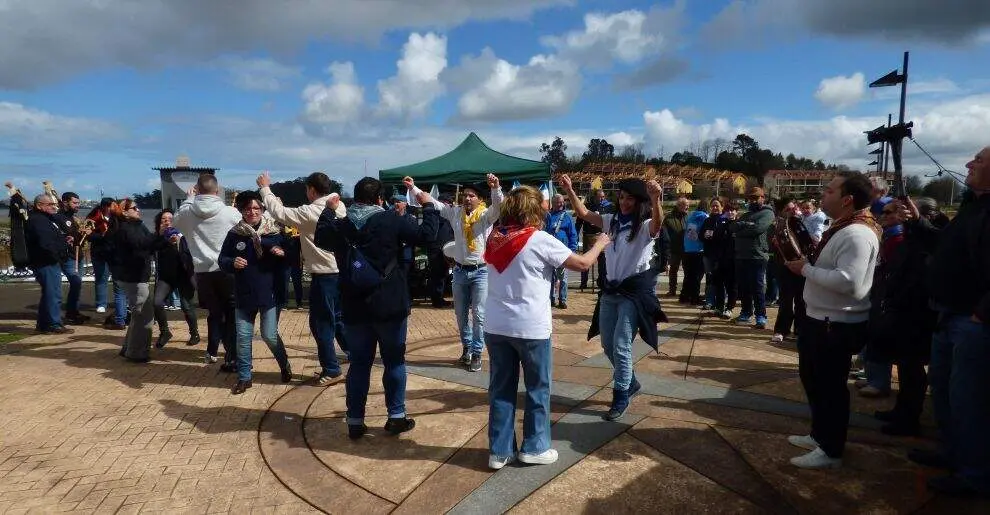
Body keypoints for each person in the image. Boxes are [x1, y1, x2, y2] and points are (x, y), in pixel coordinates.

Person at [483, 185, 611, 470]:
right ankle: (534, 447)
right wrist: (601, 243)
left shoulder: (494, 238)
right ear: (532, 210)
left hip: (495, 325)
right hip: (530, 327)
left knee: (500, 388)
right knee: (537, 388)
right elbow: (582, 263)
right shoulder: (539, 239)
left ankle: (499, 451)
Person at [314, 177, 438, 439]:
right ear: (380, 199)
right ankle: (396, 416)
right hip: (389, 303)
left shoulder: (342, 224)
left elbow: (321, 236)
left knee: (359, 364)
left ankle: (355, 420)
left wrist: (328, 209)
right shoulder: (392, 220)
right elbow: (428, 236)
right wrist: (427, 206)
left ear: (354, 198)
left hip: (354, 304)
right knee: (394, 361)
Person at [907, 146, 990, 497]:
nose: (969, 164)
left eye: (980, 160)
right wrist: (920, 226)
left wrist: (981, 314)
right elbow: (947, 247)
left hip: (973, 321)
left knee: (969, 399)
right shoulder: (973, 206)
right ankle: (954, 453)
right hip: (949, 313)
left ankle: (975, 475)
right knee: (943, 390)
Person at [783, 171, 879, 469]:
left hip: (834, 323)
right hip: (820, 318)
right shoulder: (844, 227)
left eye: (829, 190)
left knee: (830, 388)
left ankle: (831, 449)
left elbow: (851, 282)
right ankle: (820, 434)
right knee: (814, 381)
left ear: (847, 200)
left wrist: (806, 270)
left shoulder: (856, 233)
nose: (822, 194)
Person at [560, 174, 666, 421]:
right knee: (608, 344)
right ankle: (631, 381)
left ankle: (620, 396)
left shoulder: (646, 225)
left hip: (633, 294)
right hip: (610, 292)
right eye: (621, 197)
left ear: (640, 202)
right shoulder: (611, 221)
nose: (624, 202)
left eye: (630, 199)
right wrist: (570, 190)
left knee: (621, 345)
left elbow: (658, 225)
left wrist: (656, 198)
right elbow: (585, 214)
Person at [258, 171, 349, 386]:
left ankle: (332, 368)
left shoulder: (310, 212)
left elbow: (279, 212)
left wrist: (265, 188)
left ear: (311, 189)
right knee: (337, 318)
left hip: (324, 275)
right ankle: (355, 354)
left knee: (321, 324)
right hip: (341, 272)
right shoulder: (339, 206)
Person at [408, 176, 505, 372]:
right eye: (465, 195)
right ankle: (467, 348)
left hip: (481, 272)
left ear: (479, 199)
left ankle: (477, 352)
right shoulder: (455, 213)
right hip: (460, 272)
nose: (467, 198)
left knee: (478, 314)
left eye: (472, 195)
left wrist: (496, 188)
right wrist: (413, 187)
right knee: (461, 315)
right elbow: (432, 203)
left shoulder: (486, 215)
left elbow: (499, 206)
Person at [867, 199, 934, 436]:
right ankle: (902, 411)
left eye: (889, 213)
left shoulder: (915, 242)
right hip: (902, 309)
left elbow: (915, 276)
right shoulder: (905, 240)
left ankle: (909, 418)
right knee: (906, 366)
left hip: (914, 312)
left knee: (912, 368)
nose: (883, 216)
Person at [218, 191, 293, 394]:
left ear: (262, 209)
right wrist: (231, 262)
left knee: (269, 335)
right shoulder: (235, 234)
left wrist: (283, 254)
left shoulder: (274, 232)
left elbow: (292, 260)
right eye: (248, 208)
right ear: (242, 210)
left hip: (268, 293)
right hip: (244, 293)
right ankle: (244, 377)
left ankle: (284, 364)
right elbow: (222, 259)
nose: (252, 212)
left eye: (256, 208)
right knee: (243, 337)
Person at [174, 174, 242, 371]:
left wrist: (188, 199)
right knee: (232, 315)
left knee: (216, 314)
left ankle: (219, 352)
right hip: (227, 269)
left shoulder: (187, 212)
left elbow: (176, 222)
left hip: (203, 273)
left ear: (196, 189)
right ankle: (232, 356)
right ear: (217, 190)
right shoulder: (229, 212)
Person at [111, 199, 177, 363]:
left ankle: (129, 347)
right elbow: (142, 244)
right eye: (134, 208)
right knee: (145, 316)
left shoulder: (135, 225)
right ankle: (137, 353)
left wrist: (165, 240)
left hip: (134, 276)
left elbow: (150, 244)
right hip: (133, 277)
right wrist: (160, 234)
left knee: (138, 314)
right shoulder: (126, 228)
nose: (138, 210)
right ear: (125, 212)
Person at [25, 194, 74, 334]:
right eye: (49, 204)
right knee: (53, 294)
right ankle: (53, 324)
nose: (54, 207)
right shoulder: (38, 220)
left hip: (47, 260)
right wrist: (60, 252)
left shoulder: (44, 219)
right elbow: (46, 243)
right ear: (39, 205)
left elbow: (52, 238)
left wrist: (64, 240)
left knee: (49, 293)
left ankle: (43, 324)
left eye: (54, 204)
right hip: (45, 261)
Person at [151, 210, 200, 349]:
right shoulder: (157, 237)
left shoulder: (184, 235)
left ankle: (194, 333)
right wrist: (162, 237)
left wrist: (177, 241)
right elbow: (150, 248)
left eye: (170, 219)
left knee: (187, 306)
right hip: (166, 277)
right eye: (163, 219)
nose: (167, 221)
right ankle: (165, 332)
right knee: (157, 302)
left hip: (184, 276)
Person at [729, 187, 774, 330]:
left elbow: (758, 229)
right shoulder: (746, 214)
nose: (753, 200)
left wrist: (741, 229)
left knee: (757, 287)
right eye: (751, 198)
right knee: (744, 287)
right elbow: (732, 228)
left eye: (756, 198)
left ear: (763, 198)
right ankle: (746, 312)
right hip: (741, 255)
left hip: (757, 256)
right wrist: (743, 225)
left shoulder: (767, 213)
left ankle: (761, 315)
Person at [769, 199, 813, 344]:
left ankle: (800, 330)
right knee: (786, 300)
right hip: (784, 266)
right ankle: (782, 330)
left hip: (801, 265)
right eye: (789, 209)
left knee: (801, 300)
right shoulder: (776, 225)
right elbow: (770, 246)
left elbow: (807, 242)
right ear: (781, 211)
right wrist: (775, 243)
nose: (793, 211)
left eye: (794, 208)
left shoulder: (798, 222)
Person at [86, 198, 127, 329]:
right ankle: (101, 303)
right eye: (111, 206)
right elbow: (88, 235)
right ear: (104, 207)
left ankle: (120, 307)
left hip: (114, 253)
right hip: (99, 252)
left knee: (118, 282)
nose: (113, 208)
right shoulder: (93, 217)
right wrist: (102, 236)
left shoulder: (117, 218)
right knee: (101, 277)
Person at [54, 192, 88, 325]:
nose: (77, 205)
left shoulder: (73, 218)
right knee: (76, 282)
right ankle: (70, 312)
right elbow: (57, 235)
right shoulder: (58, 218)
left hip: (78, 254)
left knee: (78, 285)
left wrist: (82, 233)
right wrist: (68, 238)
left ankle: (74, 312)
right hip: (68, 256)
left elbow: (76, 236)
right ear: (65, 202)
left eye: (78, 203)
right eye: (75, 202)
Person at [702, 201, 738, 319]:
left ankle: (729, 308)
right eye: (728, 210)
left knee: (731, 285)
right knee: (718, 284)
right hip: (719, 258)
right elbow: (715, 239)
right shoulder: (721, 223)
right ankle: (719, 307)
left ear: (736, 212)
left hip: (733, 260)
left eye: (733, 210)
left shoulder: (738, 224)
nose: (730, 212)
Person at [544, 194, 578, 309]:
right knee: (550, 276)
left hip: (562, 252)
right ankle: (551, 299)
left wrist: (572, 250)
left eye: (562, 202)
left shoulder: (567, 217)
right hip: (549, 251)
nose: (561, 204)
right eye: (558, 202)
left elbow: (573, 234)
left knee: (563, 277)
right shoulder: (547, 216)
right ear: (552, 203)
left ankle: (562, 300)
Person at [576, 189, 610, 290]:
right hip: (588, 236)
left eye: (603, 197)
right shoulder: (587, 207)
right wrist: (576, 234)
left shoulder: (607, 207)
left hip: (601, 236)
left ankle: (602, 282)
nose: (602, 199)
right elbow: (579, 222)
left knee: (602, 261)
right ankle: (583, 283)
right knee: (586, 260)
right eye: (600, 197)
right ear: (595, 197)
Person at [426, 194, 455, 308]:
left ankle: (439, 297)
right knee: (437, 275)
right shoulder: (437, 215)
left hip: (447, 249)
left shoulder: (448, 216)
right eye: (448, 203)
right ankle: (437, 300)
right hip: (437, 249)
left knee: (442, 274)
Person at [680, 200, 708, 305]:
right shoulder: (705, 217)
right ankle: (694, 297)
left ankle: (684, 296)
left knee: (688, 275)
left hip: (687, 249)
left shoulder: (691, 216)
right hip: (698, 249)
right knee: (697, 276)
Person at [662, 197, 688, 297]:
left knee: (687, 270)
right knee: (673, 270)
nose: (688, 207)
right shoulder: (669, 217)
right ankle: (672, 289)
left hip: (686, 248)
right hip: (674, 248)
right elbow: (665, 233)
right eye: (686, 205)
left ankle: (685, 291)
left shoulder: (688, 217)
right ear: (679, 206)